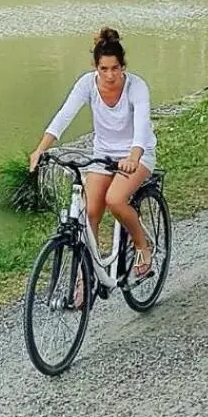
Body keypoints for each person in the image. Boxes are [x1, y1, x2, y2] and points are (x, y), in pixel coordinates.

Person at [29, 28, 156, 277]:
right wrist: (40, 150)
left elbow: (141, 127)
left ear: (123, 67)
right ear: (95, 67)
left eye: (115, 68)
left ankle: (142, 245)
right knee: (90, 213)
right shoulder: (87, 84)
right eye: (103, 69)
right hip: (103, 155)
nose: (109, 76)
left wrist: (133, 156)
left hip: (137, 155)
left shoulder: (136, 87)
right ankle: (86, 277)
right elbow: (64, 116)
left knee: (115, 200)